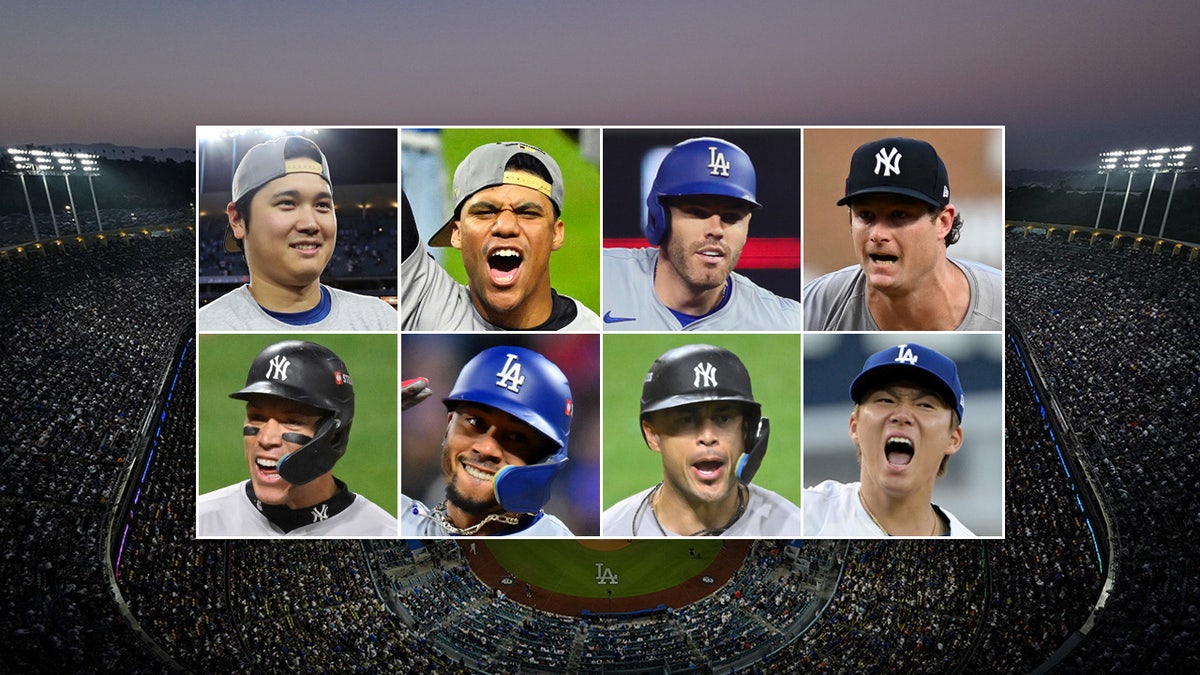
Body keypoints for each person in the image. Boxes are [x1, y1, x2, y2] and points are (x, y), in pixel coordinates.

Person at [197, 135, 397, 331]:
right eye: (287, 203)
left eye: (322, 205)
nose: (310, 224)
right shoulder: (208, 327)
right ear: (238, 220)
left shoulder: (381, 319)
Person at [197, 340, 397, 536]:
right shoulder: (204, 518)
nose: (266, 439)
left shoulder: (381, 531)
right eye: (256, 418)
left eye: (292, 421)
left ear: (334, 436)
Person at [803, 136, 1002, 331]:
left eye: (899, 215)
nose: (878, 234)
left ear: (943, 222)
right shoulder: (817, 306)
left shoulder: (1001, 304)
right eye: (866, 215)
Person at [602, 137, 801, 330]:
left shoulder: (785, 322)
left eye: (731, 217)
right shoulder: (607, 277)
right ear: (659, 217)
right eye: (697, 213)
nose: (716, 230)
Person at [602, 344, 801, 536]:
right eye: (687, 420)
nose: (708, 437)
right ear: (652, 435)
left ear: (748, 432)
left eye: (724, 419)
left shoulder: (791, 526)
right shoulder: (612, 530)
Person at [401, 141, 601, 331]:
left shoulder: (593, 332)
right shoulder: (424, 304)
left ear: (556, 234)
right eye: (485, 212)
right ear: (457, 233)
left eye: (528, 213)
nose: (505, 226)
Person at [803, 342, 975, 537]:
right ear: (854, 426)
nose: (902, 415)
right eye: (885, 400)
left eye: (925, 405)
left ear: (953, 439)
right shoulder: (804, 516)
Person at [402, 346, 576, 536]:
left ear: (546, 462)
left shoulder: (556, 549)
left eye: (516, 437)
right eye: (475, 422)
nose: (486, 448)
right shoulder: (399, 522)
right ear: (449, 424)